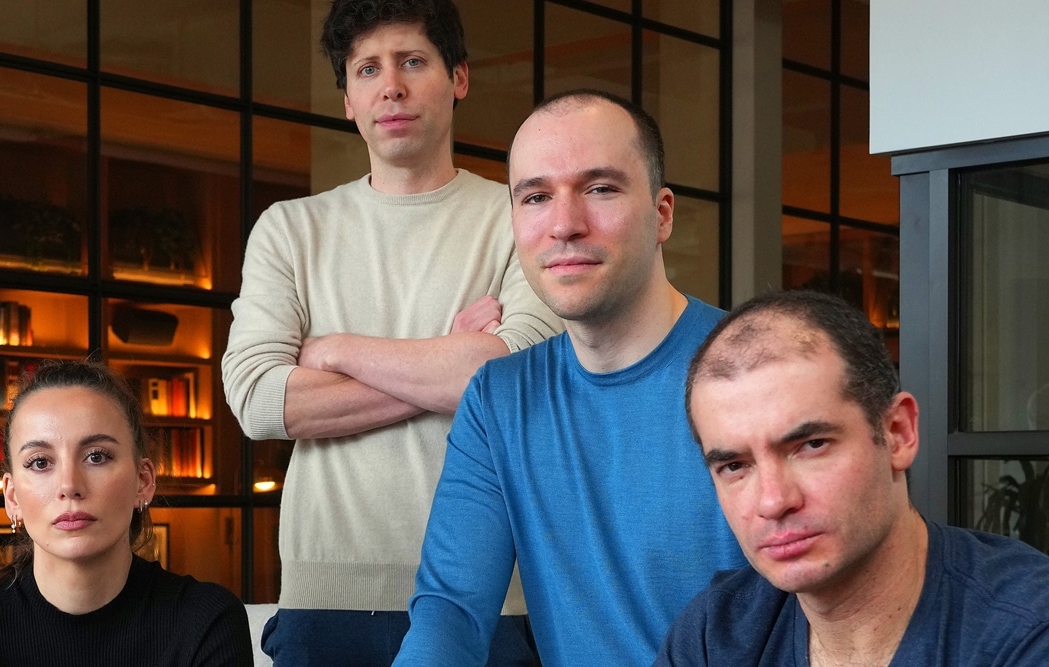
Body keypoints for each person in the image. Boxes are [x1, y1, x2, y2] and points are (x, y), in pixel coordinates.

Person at [220, 0, 560, 663]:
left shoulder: (521, 217)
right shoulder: (291, 230)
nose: (391, 86)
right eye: (367, 68)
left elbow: (516, 376)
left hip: (491, 592)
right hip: (327, 594)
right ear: (348, 98)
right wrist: (452, 363)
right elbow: (261, 401)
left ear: (458, 77)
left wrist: (335, 351)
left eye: (412, 61)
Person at [393, 90, 746, 666]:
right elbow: (451, 610)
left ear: (662, 214)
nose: (564, 225)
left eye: (600, 189)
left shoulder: (755, 372)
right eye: (535, 197)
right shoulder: (499, 398)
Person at [657, 290, 1049, 665]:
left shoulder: (1025, 628)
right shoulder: (716, 635)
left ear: (898, 433)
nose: (773, 501)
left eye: (811, 445)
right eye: (735, 466)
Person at [0, 360, 253, 666]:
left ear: (143, 481)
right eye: (40, 462)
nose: (69, 485)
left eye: (96, 456)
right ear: (13, 497)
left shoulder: (208, 620)